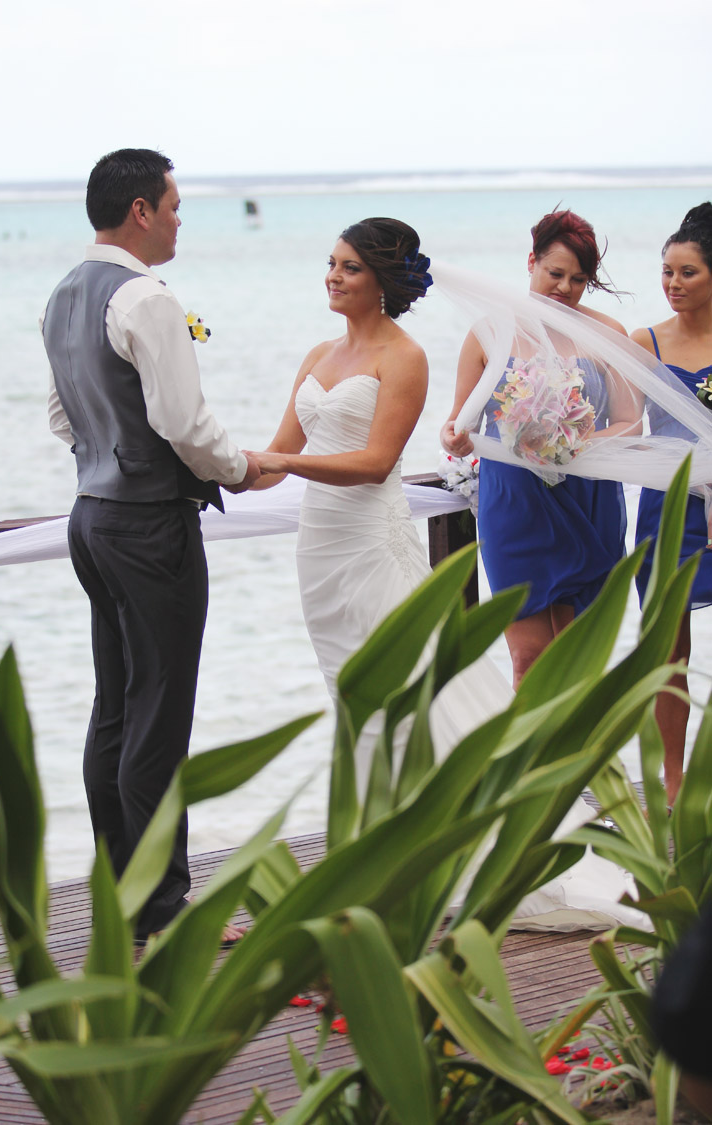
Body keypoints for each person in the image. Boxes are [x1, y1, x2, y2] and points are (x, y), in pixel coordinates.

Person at [247, 217, 642, 931]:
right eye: (329, 263)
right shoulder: (325, 353)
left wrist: (565, 440)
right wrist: (204, 459)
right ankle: (382, 850)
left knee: (421, 686)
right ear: (530, 264)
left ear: (380, 280)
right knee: (356, 697)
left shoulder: (405, 355)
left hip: (400, 533)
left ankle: (457, 839)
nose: (332, 276)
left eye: (348, 267)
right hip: (332, 547)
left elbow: (369, 461)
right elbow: (280, 454)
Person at [42, 148, 259, 945]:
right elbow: (184, 423)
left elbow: (63, 419)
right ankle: (164, 907)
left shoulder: (64, 294)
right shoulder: (145, 298)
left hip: (91, 514)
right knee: (160, 714)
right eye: (171, 205)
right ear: (140, 210)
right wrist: (241, 469)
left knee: (116, 706)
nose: (176, 218)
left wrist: (111, 452)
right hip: (148, 525)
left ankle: (123, 892)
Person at [440, 210, 640, 687]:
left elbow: (630, 425)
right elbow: (456, 423)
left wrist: (571, 443)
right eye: (554, 274)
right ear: (531, 261)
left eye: (578, 279)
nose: (564, 288)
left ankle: (587, 757)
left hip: (587, 499)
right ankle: (532, 760)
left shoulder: (609, 333)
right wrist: (455, 436)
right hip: (514, 504)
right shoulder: (489, 332)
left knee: (579, 659)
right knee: (528, 660)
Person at [632, 203, 712, 807]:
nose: (673, 284)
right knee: (667, 649)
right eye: (667, 272)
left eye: (687, 272)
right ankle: (674, 780)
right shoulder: (646, 341)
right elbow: (624, 425)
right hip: (666, 509)